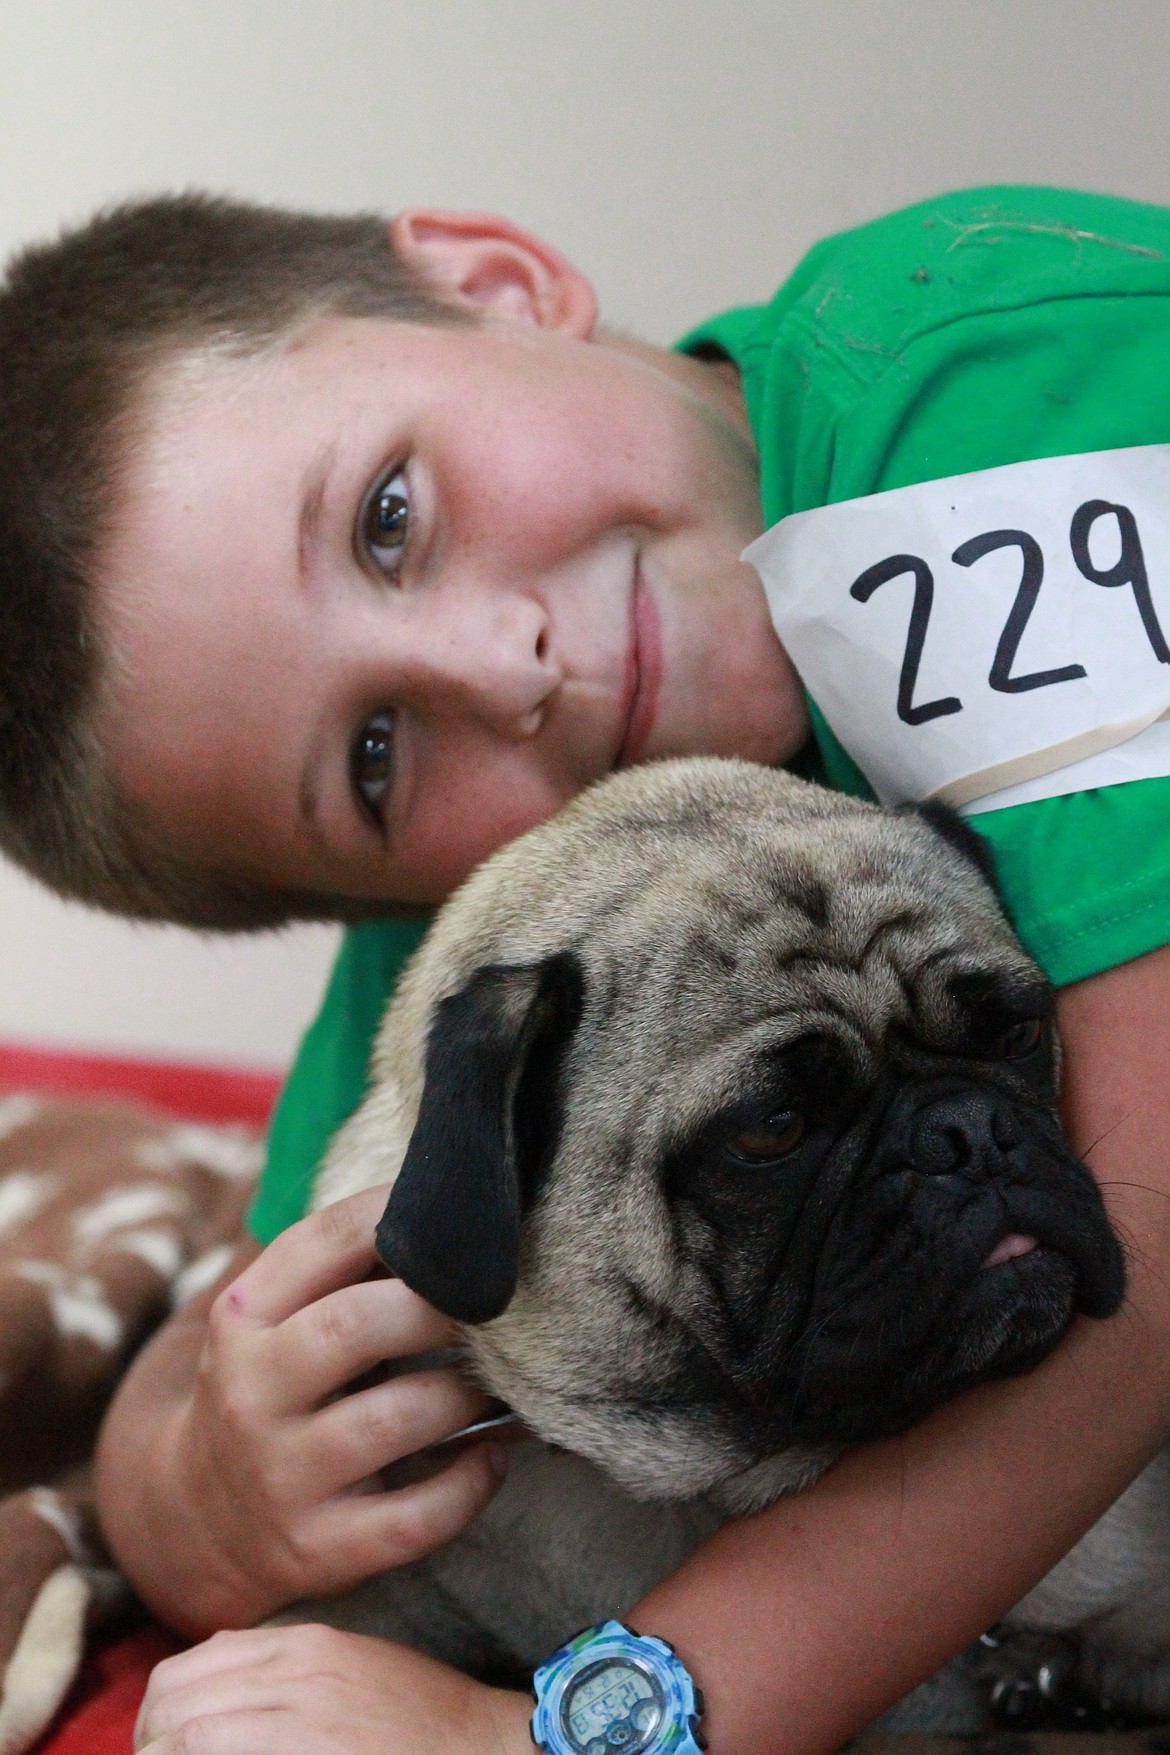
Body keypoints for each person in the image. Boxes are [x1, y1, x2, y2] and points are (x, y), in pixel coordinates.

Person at [0, 184, 1169, 1755]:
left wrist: (583, 1731)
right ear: (382, 890)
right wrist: (198, 1487)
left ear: (497, 278)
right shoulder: (530, 909)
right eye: (370, 758)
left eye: (389, 519)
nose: (503, 670)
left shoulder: (966, 377)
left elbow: (1150, 1237)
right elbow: (253, 1318)